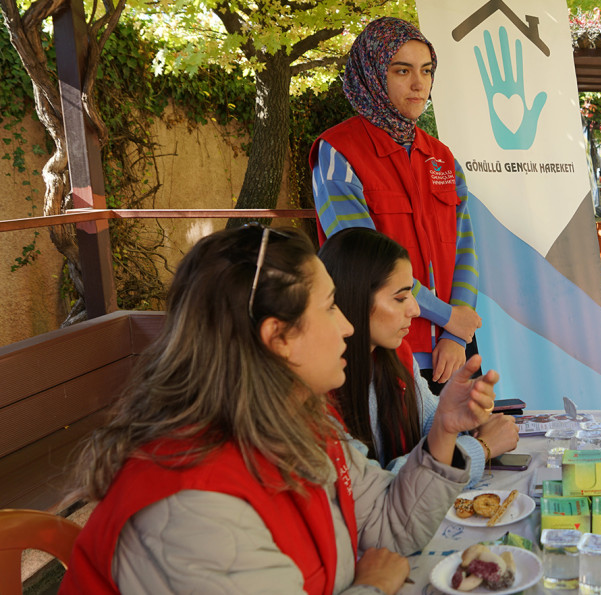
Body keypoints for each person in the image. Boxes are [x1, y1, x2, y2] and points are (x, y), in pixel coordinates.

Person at [60, 225, 499, 593]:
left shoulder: (301, 424)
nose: (347, 326)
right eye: (329, 308)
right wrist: (373, 588)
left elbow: (390, 523)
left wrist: (443, 430)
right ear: (279, 337)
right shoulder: (195, 509)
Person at [310, 17, 482, 393]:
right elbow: (366, 263)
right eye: (402, 70)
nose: (419, 84)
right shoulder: (339, 152)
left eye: (427, 70)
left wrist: (456, 331)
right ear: (372, 75)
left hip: (453, 347)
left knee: (468, 446)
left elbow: (465, 245)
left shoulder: (441, 156)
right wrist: (449, 317)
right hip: (382, 351)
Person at [318, 227, 518, 487]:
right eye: (400, 297)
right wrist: (480, 449)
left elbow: (430, 424)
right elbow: (380, 492)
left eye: (411, 294)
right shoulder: (319, 389)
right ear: (354, 298)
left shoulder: (396, 356)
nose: (414, 309)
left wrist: (463, 418)